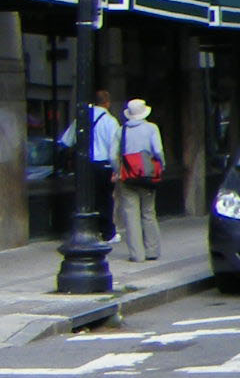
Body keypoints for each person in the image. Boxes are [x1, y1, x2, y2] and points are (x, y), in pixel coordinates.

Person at [58, 88, 122, 241]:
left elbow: (66, 141)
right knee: (105, 199)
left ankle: (85, 230)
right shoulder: (110, 121)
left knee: (86, 200)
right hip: (103, 165)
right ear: (107, 103)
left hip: (84, 165)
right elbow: (114, 149)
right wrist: (116, 169)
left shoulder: (82, 119)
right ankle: (107, 232)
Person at [114, 99, 165, 262]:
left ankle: (137, 254)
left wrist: (118, 171)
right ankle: (152, 250)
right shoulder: (151, 128)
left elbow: (112, 156)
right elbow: (158, 151)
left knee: (131, 215)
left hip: (127, 177)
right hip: (147, 175)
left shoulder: (121, 131)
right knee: (148, 212)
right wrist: (161, 166)